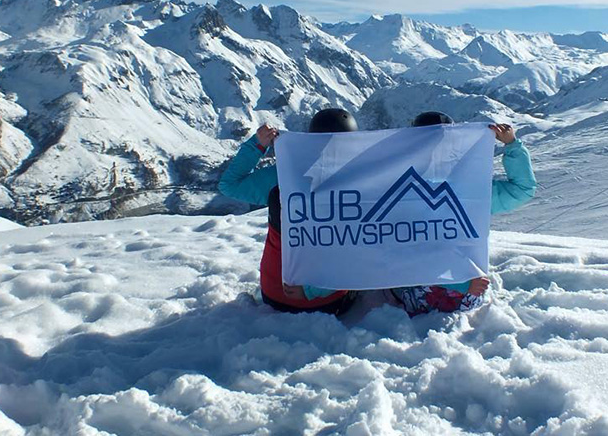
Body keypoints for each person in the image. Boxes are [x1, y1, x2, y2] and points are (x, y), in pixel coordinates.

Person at [390, 111, 537, 316]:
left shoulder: (393, 185)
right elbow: (521, 190)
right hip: (464, 289)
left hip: (415, 289)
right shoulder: (471, 190)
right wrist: (511, 145)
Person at [218, 109, 358, 315]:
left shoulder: (285, 174)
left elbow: (229, 185)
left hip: (275, 295)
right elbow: (360, 257)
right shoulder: (363, 186)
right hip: (330, 301)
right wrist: (312, 290)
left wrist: (257, 144)